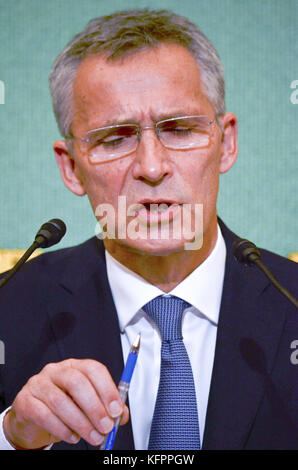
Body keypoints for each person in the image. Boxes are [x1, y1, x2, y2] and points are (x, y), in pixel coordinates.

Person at [0, 9, 297, 450]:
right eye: (115, 138)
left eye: (178, 129)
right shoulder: (10, 306)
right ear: (72, 168)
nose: (152, 167)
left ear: (226, 143)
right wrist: (13, 436)